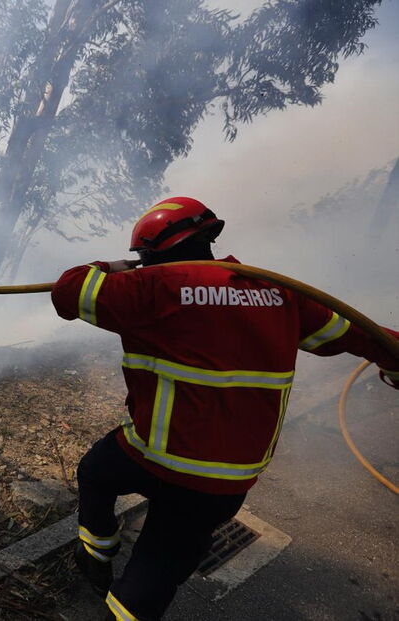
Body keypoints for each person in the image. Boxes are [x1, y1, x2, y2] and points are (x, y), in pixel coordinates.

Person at [50, 196, 399, 620]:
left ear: (150, 253)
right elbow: (363, 335)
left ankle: (96, 556)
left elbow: (68, 291)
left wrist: (111, 267)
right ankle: (111, 575)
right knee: (154, 562)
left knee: (97, 476)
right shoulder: (280, 292)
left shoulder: (152, 287)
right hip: (225, 479)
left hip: (152, 456)